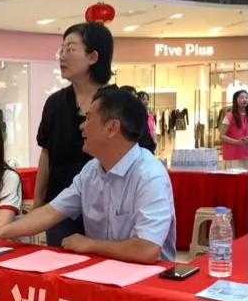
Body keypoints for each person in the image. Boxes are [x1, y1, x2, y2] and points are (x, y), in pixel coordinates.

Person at [0, 87, 176, 264]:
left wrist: (90, 244)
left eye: (89, 119)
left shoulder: (149, 176)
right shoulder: (91, 171)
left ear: (112, 128)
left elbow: (147, 249)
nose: (81, 126)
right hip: (107, 276)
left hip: (149, 283)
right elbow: (50, 213)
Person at [33, 23, 157, 250]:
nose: (62, 57)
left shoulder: (119, 104)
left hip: (109, 209)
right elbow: (46, 152)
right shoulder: (55, 104)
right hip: (62, 206)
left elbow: (143, 152)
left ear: (93, 56)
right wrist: (39, 200)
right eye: (61, 50)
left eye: (70, 49)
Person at [220, 89, 248, 162]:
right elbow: (222, 136)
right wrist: (237, 142)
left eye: (247, 97)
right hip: (233, 155)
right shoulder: (229, 116)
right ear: (235, 100)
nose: (245, 100)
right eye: (241, 97)